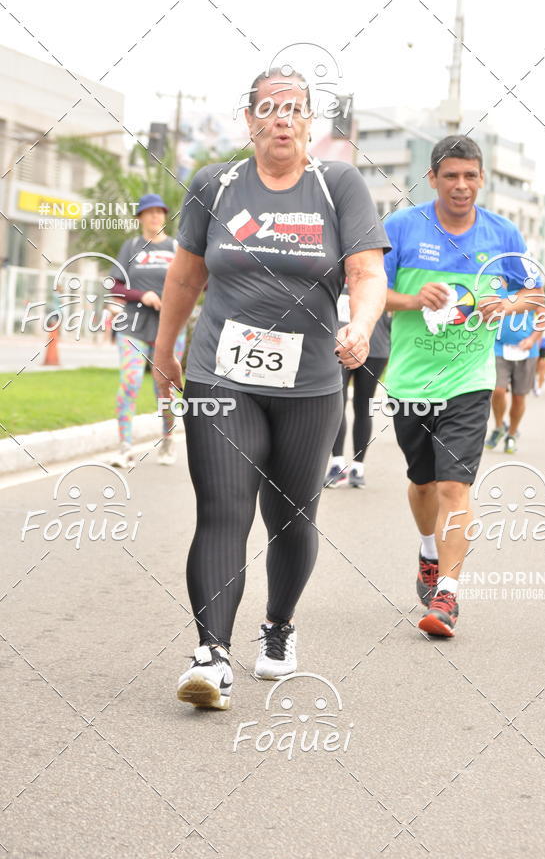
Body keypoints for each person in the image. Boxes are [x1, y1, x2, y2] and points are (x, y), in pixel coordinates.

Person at [153, 68, 389, 709]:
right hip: (220, 373)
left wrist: (361, 326)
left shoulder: (338, 186)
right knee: (223, 508)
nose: (281, 118)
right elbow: (185, 276)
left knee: (291, 519)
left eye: (294, 109)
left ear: (309, 122)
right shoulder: (216, 184)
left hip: (310, 381)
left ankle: (279, 625)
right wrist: (164, 347)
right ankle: (211, 654)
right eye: (269, 108)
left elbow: (367, 273)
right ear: (250, 118)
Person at [384, 135, 544, 638]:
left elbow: (534, 291)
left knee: (455, 485)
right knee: (423, 483)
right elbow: (367, 290)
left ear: (482, 178)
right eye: (450, 175)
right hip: (411, 378)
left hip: (472, 379)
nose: (461, 185)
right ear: (432, 178)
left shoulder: (502, 234)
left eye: (470, 176)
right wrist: (412, 299)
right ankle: (429, 552)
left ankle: (448, 594)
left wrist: (509, 305)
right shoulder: (402, 227)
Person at [110, 194, 186, 468]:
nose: (155, 217)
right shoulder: (131, 246)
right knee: (129, 383)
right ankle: (125, 447)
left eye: (160, 212)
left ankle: (167, 438)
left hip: (170, 328)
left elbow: (197, 282)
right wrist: (142, 295)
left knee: (163, 389)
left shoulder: (178, 247)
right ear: (140, 217)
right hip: (133, 326)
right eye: (149, 212)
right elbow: (114, 285)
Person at [323, 292, 390, 488]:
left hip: (375, 349)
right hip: (339, 347)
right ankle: (337, 464)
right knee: (338, 404)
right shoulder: (336, 270)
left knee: (364, 407)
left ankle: (358, 467)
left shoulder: (380, 273)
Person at [485, 305, 545, 453]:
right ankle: (499, 427)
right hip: (498, 347)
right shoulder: (497, 284)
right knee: (498, 390)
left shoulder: (532, 285)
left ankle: (511, 434)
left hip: (526, 350)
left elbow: (543, 319)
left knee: (518, 397)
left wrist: (532, 339)